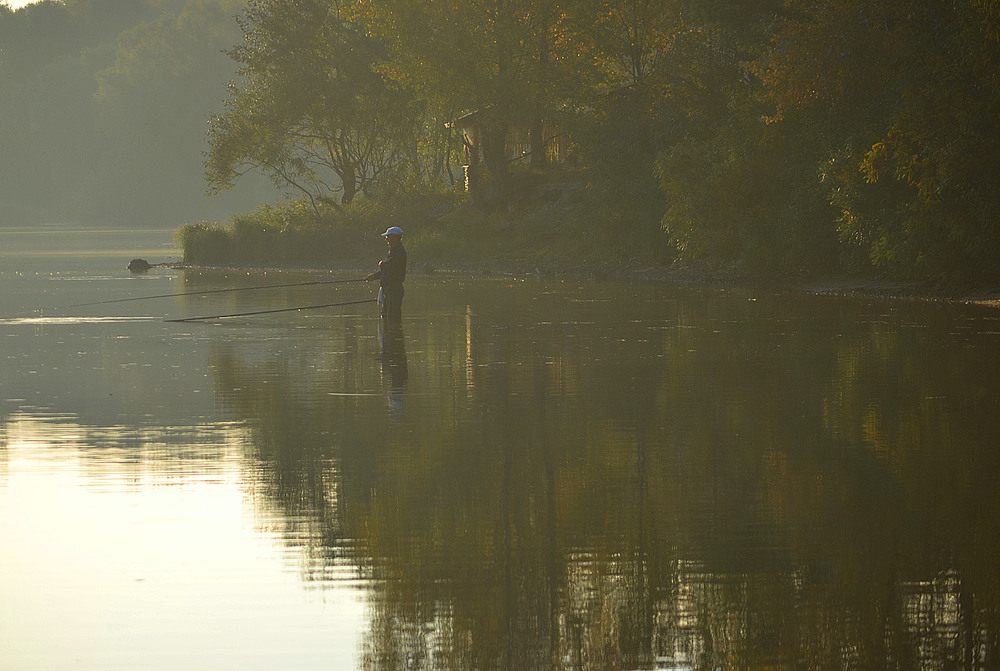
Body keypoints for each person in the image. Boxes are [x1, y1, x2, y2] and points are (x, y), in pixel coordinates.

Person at [366, 226, 407, 327]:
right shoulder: (393, 252)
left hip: (394, 289)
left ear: (396, 238)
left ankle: (394, 340)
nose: (386, 240)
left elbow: (389, 268)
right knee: (386, 317)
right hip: (390, 289)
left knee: (393, 317)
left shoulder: (399, 252)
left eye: (388, 237)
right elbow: (388, 271)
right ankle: (390, 339)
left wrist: (381, 264)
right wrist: (374, 276)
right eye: (386, 237)